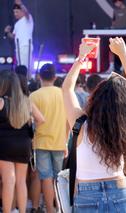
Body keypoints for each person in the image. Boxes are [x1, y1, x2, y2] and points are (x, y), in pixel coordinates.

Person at [62, 37, 126, 212]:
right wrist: (123, 54)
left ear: (95, 98)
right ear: (124, 105)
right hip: (121, 191)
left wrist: (81, 57)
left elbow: (67, 89)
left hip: (87, 195)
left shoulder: (81, 125)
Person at [0, 70, 44, 213]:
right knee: (21, 181)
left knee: (8, 181)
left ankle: (7, 211)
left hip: (4, 145)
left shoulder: (1, 101)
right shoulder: (26, 101)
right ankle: (22, 211)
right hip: (23, 144)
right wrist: (31, 126)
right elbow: (42, 120)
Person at [30, 64, 68, 213]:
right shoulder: (63, 94)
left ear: (39, 76)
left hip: (41, 142)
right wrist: (65, 141)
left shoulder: (34, 96)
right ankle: (60, 208)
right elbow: (69, 122)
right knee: (58, 177)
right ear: (55, 77)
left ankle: (50, 209)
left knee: (46, 177)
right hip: (59, 141)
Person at [4, 0, 34, 76]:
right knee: (20, 67)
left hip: (25, 46)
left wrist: (20, 4)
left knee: (26, 66)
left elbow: (26, 12)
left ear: (22, 11)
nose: (15, 14)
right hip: (18, 48)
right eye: (14, 12)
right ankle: (22, 81)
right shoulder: (17, 24)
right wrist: (7, 32)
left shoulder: (28, 19)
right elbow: (13, 36)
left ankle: (28, 82)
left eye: (17, 12)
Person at [107, 0, 126, 73]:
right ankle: (111, 66)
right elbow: (113, 22)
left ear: (120, 1)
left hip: (125, 35)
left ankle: (124, 66)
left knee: (125, 50)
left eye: (116, 2)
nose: (116, 4)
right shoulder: (115, 11)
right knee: (111, 49)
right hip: (115, 33)